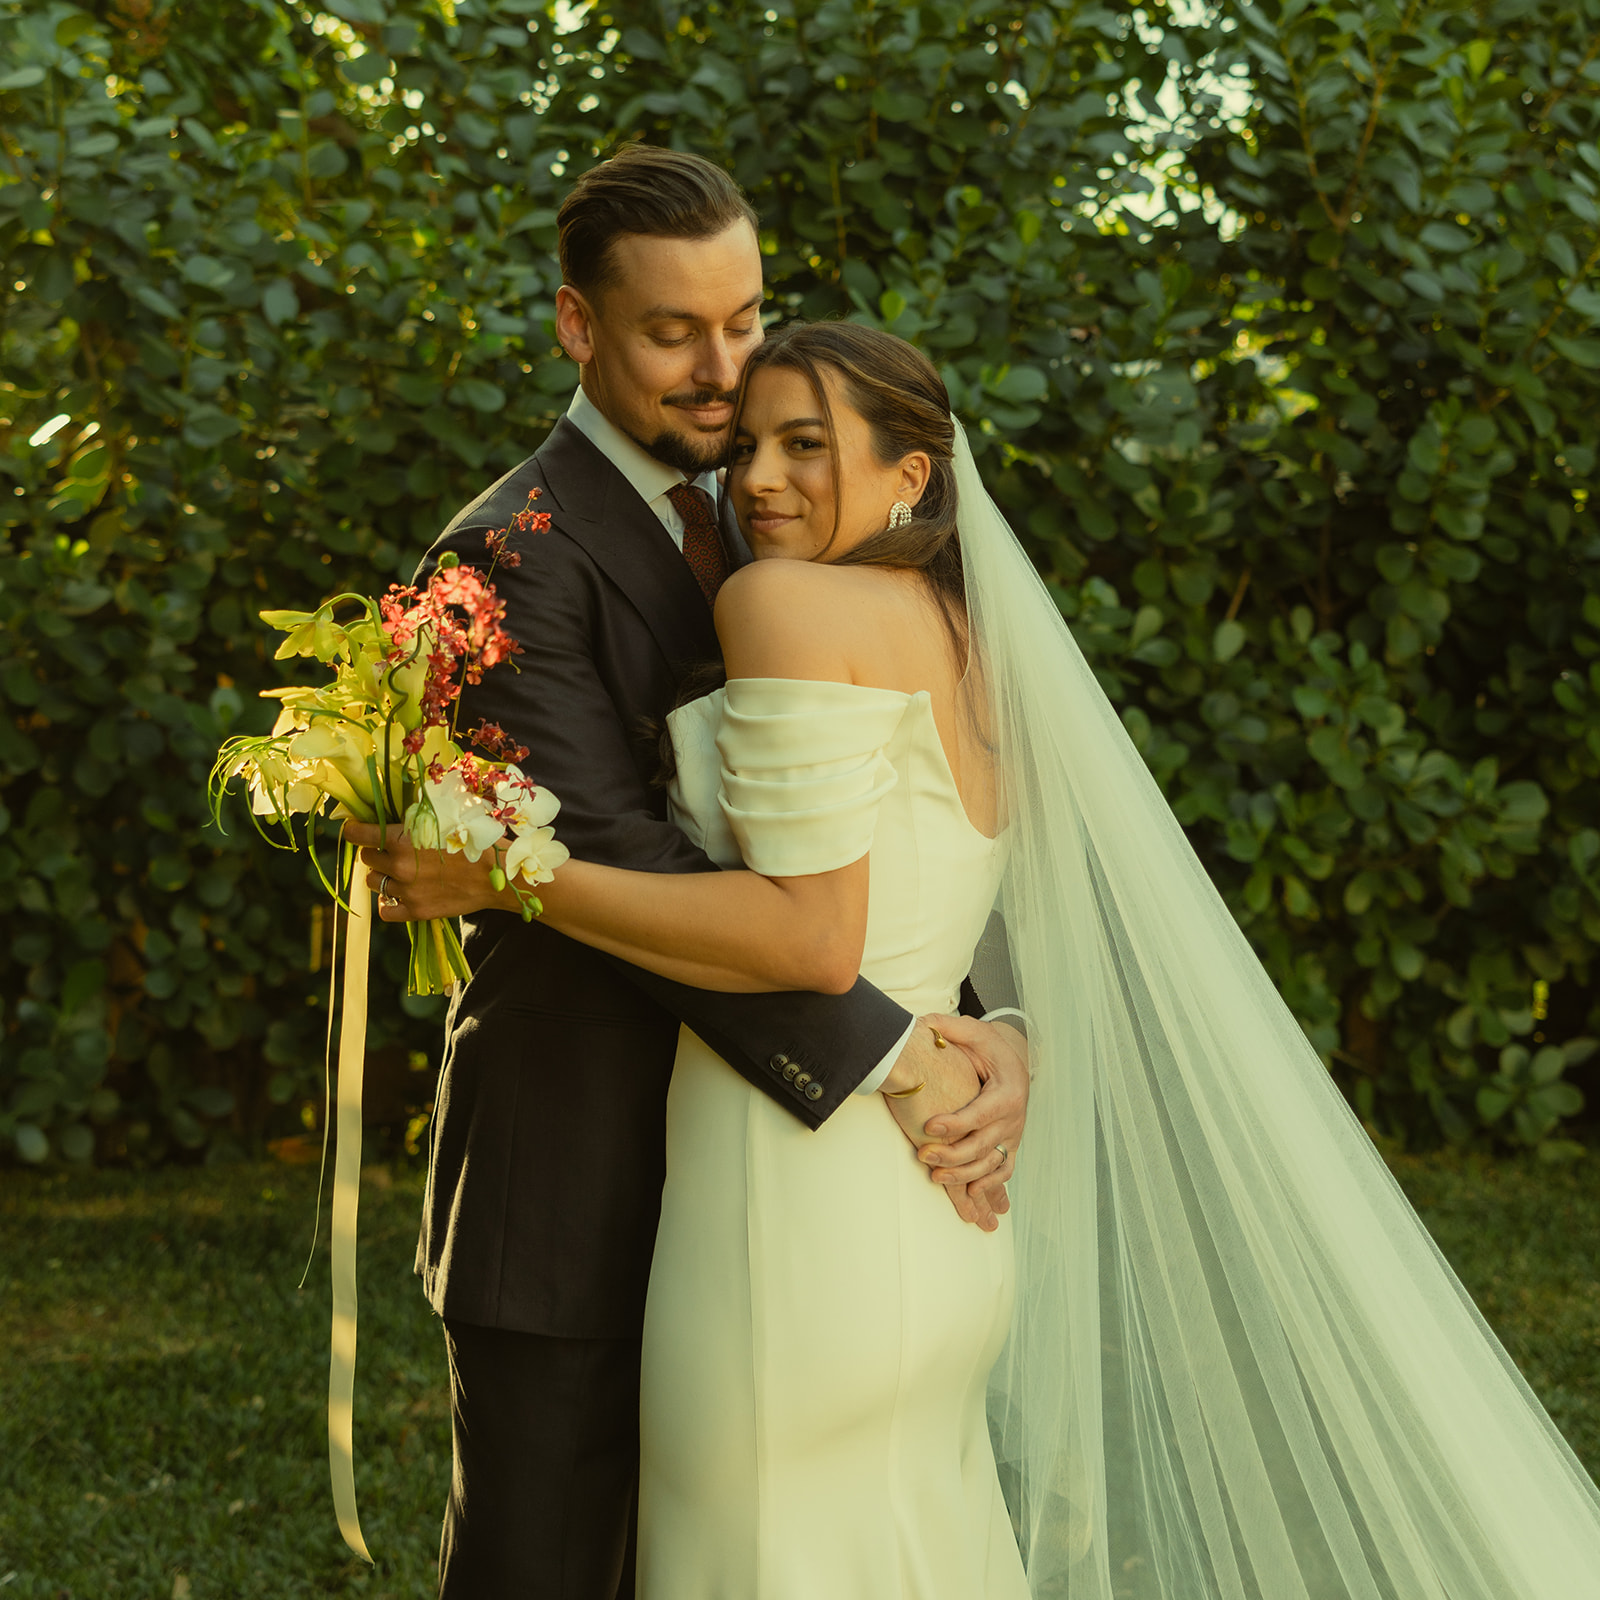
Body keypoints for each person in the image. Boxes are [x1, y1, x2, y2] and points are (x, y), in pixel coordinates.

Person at [366, 314, 1600, 1600]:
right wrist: (1003, 1027)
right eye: (752, 446)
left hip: (784, 1207)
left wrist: (507, 873)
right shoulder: (966, 633)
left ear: (912, 476)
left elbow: (807, 935)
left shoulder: (779, 600)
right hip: (939, 1209)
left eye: (809, 445)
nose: (764, 479)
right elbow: (941, 901)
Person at [345, 146, 1029, 1600]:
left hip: (782, 1180)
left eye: (746, 317)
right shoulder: (509, 560)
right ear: (576, 327)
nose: (727, 369)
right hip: (582, 1177)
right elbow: (624, 868)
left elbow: (875, 812)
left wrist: (994, 1028)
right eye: (674, 333)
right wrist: (903, 1058)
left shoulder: (786, 516)